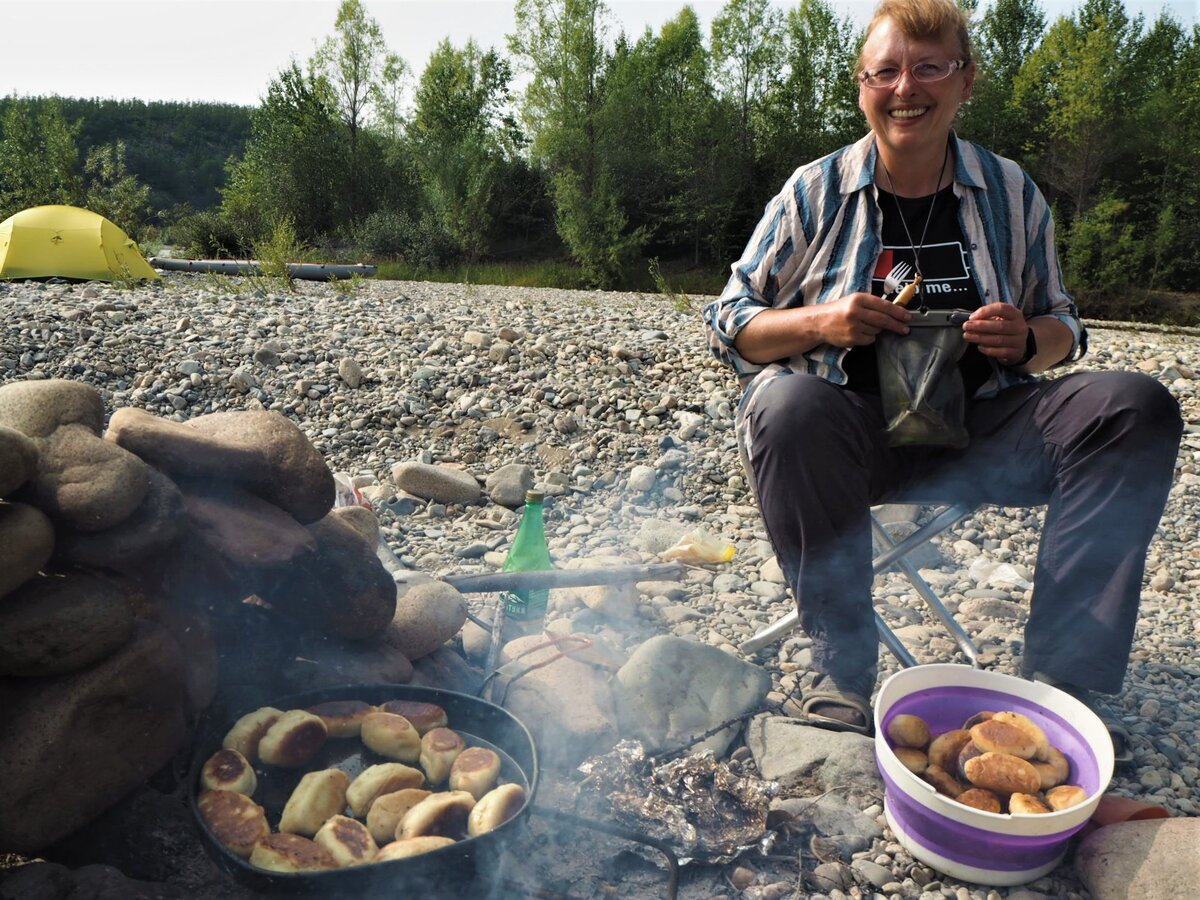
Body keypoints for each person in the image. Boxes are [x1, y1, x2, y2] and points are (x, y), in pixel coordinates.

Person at [703, 0, 1182, 754]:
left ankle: (1061, 684)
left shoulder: (1010, 192)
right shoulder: (815, 191)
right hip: (848, 437)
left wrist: (1027, 339)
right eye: (886, 71)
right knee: (786, 403)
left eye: (929, 68)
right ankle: (842, 667)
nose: (906, 88)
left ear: (966, 82)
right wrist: (821, 323)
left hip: (987, 432)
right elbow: (731, 318)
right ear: (862, 85)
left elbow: (1066, 327)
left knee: (1133, 406)